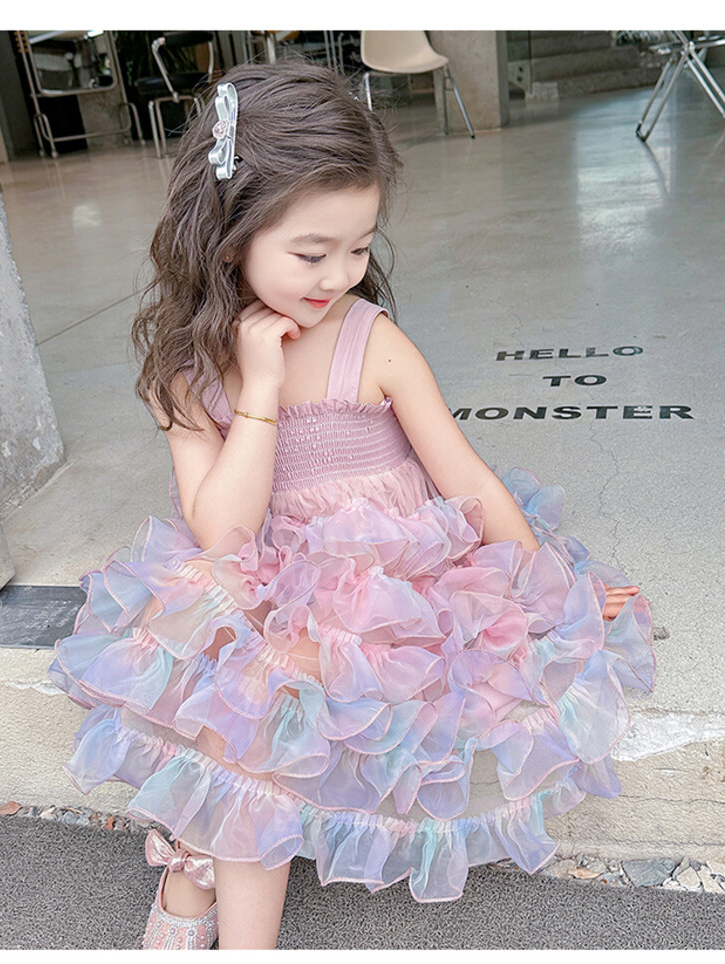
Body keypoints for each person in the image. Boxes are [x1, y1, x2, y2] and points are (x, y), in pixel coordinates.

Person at [48, 57, 656, 950]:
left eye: (360, 247)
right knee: (232, 684)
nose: (339, 275)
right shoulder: (186, 373)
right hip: (261, 578)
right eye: (311, 253)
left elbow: (468, 480)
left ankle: (200, 895)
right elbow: (223, 533)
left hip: (391, 594)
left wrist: (546, 587)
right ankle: (202, 879)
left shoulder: (373, 343)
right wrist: (258, 388)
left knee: (255, 702)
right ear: (228, 236)